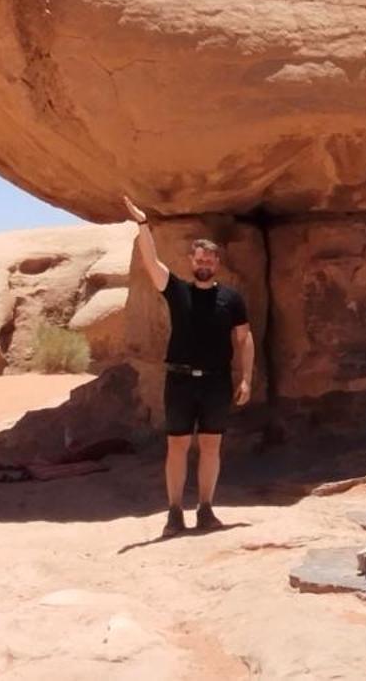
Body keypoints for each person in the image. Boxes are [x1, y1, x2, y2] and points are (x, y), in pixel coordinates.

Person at [124, 197, 254, 537]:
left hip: (216, 382)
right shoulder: (176, 290)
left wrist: (247, 379)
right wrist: (142, 224)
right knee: (177, 445)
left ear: (217, 263)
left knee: (211, 445)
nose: (205, 264)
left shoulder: (231, 299)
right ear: (191, 261)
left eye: (210, 259)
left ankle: (207, 509)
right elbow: (151, 261)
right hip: (180, 381)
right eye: (200, 259)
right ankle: (174, 512)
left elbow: (244, 338)